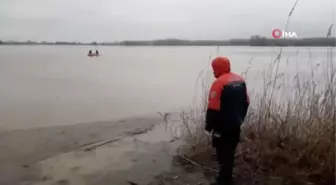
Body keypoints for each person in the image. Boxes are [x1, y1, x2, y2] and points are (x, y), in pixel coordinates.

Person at [205, 56, 250, 185]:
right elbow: (246, 103)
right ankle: (227, 177)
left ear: (218, 68)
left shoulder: (219, 83)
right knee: (230, 152)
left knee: (222, 153)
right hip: (235, 125)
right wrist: (240, 119)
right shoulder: (240, 80)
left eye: (214, 69)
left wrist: (208, 127)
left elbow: (213, 109)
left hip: (221, 127)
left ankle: (223, 180)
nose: (213, 72)